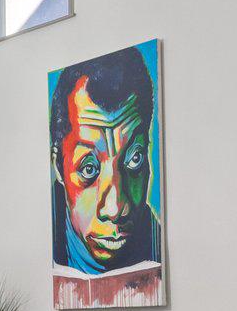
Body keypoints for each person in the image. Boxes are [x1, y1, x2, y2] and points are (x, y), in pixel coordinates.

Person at [49, 45, 162, 277]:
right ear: (59, 166)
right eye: (88, 169)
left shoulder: (157, 246)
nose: (115, 208)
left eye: (135, 159)